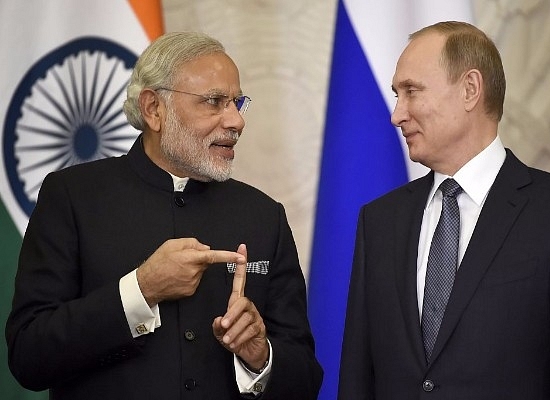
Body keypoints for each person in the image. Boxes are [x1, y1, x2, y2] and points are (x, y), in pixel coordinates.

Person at [6, 31, 323, 399]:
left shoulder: (264, 215)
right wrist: (141, 290)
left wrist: (260, 356)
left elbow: (305, 379)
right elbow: (28, 357)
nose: (236, 121)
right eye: (215, 101)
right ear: (154, 110)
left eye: (237, 102)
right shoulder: (73, 197)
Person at [338, 21, 550, 399]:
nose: (397, 114)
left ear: (470, 89)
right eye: (397, 95)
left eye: (411, 92)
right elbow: (358, 380)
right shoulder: (379, 221)